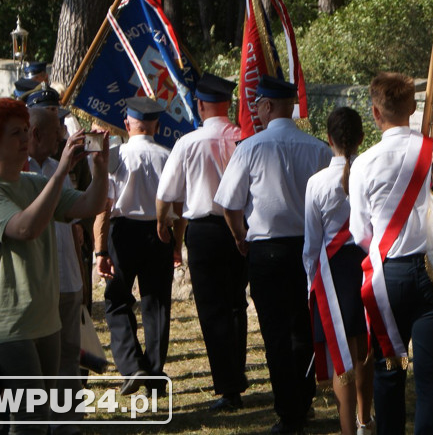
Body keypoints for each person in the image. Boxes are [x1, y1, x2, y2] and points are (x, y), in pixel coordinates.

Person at [0, 99, 108, 434]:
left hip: (46, 323)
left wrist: (101, 167)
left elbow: (90, 204)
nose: (25, 138)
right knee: (28, 422)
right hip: (8, 326)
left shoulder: (33, 181)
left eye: (25, 131)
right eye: (15, 133)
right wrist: (60, 172)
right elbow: (25, 229)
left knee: (41, 422)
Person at [215, 75, 330, 435]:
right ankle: (304, 401)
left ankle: (289, 411)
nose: (256, 112)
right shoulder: (317, 149)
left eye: (258, 105)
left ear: (267, 106)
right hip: (308, 249)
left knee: (276, 333)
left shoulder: (250, 148)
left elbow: (228, 204)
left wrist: (239, 237)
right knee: (303, 327)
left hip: (265, 249)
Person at [348, 72, 433, 435]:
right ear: (413, 106)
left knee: (388, 370)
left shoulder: (363, 163)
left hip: (387, 277)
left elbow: (360, 232)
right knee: (431, 376)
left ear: (376, 113)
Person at [155, 73, 249, 413]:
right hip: (240, 228)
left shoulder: (188, 143)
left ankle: (228, 386)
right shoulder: (243, 138)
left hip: (206, 231)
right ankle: (236, 377)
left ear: (200, 105)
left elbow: (166, 195)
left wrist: (165, 228)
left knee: (213, 311)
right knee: (236, 304)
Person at [96, 97, 179, 396]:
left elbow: (104, 206)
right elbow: (176, 204)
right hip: (159, 231)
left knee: (117, 299)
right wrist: (177, 243)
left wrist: (101, 250)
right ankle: (155, 374)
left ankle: (132, 365)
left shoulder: (117, 156)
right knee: (157, 304)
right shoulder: (168, 155)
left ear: (128, 123)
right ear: (156, 125)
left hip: (123, 231)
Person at [303, 107, 374, 435]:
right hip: (365, 264)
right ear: (361, 138)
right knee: (364, 350)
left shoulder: (316, 183)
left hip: (332, 274)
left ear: (328, 139)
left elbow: (311, 244)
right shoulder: (370, 173)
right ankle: (364, 422)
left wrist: (310, 286)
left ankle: (349, 429)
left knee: (341, 356)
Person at [27, 107, 86, 434]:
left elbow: (74, 229)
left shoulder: (58, 169)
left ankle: (68, 425)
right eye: (55, 132)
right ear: (36, 134)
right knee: (39, 363)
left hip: (68, 280)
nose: (61, 137)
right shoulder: (19, 174)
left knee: (68, 358)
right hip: (40, 284)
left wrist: (80, 278)